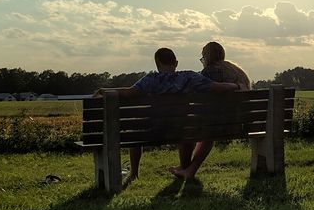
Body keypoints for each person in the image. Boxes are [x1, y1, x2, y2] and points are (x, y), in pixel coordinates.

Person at [96, 47, 238, 186]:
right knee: (188, 131)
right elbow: (217, 87)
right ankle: (185, 168)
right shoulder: (189, 77)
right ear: (176, 63)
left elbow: (129, 93)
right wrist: (236, 86)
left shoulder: (150, 79)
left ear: (157, 63)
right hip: (181, 130)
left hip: (154, 131)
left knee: (135, 134)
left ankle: (134, 173)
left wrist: (106, 90)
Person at [168, 40, 253, 181]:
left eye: (203, 57)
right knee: (209, 132)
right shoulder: (237, 71)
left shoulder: (209, 72)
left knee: (189, 130)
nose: (203, 61)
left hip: (217, 124)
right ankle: (188, 170)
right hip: (239, 125)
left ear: (207, 57)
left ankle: (186, 168)